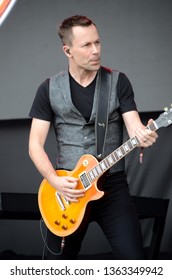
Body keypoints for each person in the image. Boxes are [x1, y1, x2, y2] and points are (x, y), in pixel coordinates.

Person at [28, 15, 158, 260]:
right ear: (67, 50)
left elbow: (134, 128)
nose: (96, 50)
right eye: (87, 45)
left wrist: (145, 135)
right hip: (68, 191)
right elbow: (35, 145)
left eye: (98, 43)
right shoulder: (48, 89)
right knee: (55, 269)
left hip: (112, 187)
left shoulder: (118, 82)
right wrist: (54, 180)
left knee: (136, 265)